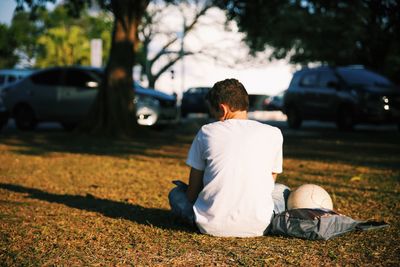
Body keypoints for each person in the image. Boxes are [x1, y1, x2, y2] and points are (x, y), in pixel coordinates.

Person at [169, 78, 286, 237]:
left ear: (222, 109)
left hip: (209, 226)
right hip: (261, 224)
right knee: (282, 190)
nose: (213, 118)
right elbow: (269, 183)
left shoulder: (206, 132)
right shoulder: (273, 133)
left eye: (213, 113)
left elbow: (192, 194)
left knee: (176, 194)